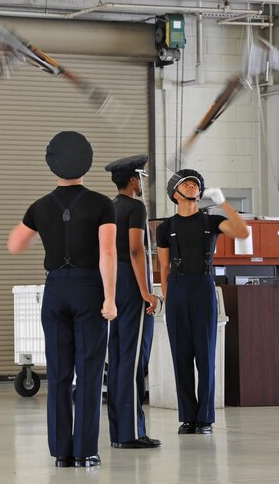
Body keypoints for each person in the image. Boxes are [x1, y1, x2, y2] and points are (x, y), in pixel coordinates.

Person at [7, 131, 117, 468]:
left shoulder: (40, 206)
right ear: (87, 162)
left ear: (52, 163)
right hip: (88, 289)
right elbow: (108, 252)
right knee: (88, 372)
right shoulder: (102, 204)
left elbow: (14, 244)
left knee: (57, 373)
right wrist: (110, 299)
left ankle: (61, 453)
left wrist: (46, 233)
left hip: (54, 290)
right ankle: (86, 451)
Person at [156, 169, 248, 435]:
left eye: (196, 184)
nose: (193, 187)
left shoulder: (211, 220)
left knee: (205, 355)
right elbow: (163, 267)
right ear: (176, 193)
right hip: (177, 289)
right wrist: (167, 298)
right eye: (187, 183)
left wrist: (223, 202)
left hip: (203, 287)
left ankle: (205, 418)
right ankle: (188, 416)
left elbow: (242, 232)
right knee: (181, 356)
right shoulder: (166, 227)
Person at [103, 155, 161, 450]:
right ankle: (132, 433)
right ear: (134, 180)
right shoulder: (135, 207)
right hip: (131, 282)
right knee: (134, 360)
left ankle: (119, 431)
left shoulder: (109, 207)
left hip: (113, 281)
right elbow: (137, 250)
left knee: (118, 359)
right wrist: (146, 292)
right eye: (142, 177)